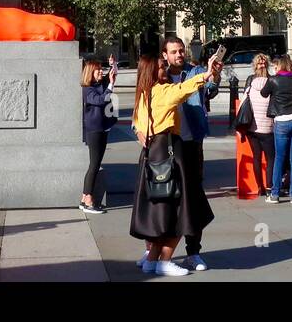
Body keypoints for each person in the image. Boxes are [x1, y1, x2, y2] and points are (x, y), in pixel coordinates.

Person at [131, 44, 223, 276]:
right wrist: (207, 74)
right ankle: (164, 259)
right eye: (162, 66)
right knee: (184, 208)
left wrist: (211, 74)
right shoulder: (162, 90)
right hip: (172, 152)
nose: (165, 69)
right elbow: (184, 89)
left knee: (162, 208)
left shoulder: (143, 93)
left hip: (154, 152)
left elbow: (138, 122)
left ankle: (153, 258)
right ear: (155, 68)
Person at [161, 36, 218, 271]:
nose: (179, 55)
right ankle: (156, 251)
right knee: (164, 196)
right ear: (165, 55)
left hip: (191, 142)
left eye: (181, 51)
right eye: (174, 51)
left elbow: (210, 89)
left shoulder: (195, 71)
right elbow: (142, 102)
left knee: (193, 197)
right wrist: (139, 129)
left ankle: (193, 252)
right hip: (165, 144)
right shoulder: (158, 74)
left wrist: (214, 74)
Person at [260, 54, 292, 204]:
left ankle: (275, 194)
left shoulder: (273, 80)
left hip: (282, 121)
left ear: (279, 66)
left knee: (279, 158)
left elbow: (264, 94)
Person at [80, 55, 118, 213]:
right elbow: (101, 100)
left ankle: (84, 198)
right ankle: (88, 199)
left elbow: (112, 75)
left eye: (101, 69)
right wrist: (110, 86)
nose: (100, 72)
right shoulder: (87, 89)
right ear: (90, 71)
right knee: (94, 165)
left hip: (102, 127)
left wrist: (113, 65)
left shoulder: (98, 84)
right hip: (94, 129)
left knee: (95, 164)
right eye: (98, 70)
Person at [242, 54, 276, 194]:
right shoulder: (272, 81)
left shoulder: (250, 81)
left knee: (256, 156)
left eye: (262, 64)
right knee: (271, 158)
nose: (261, 66)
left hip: (252, 126)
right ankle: (269, 186)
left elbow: (244, 102)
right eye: (261, 64)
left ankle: (260, 187)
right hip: (268, 126)